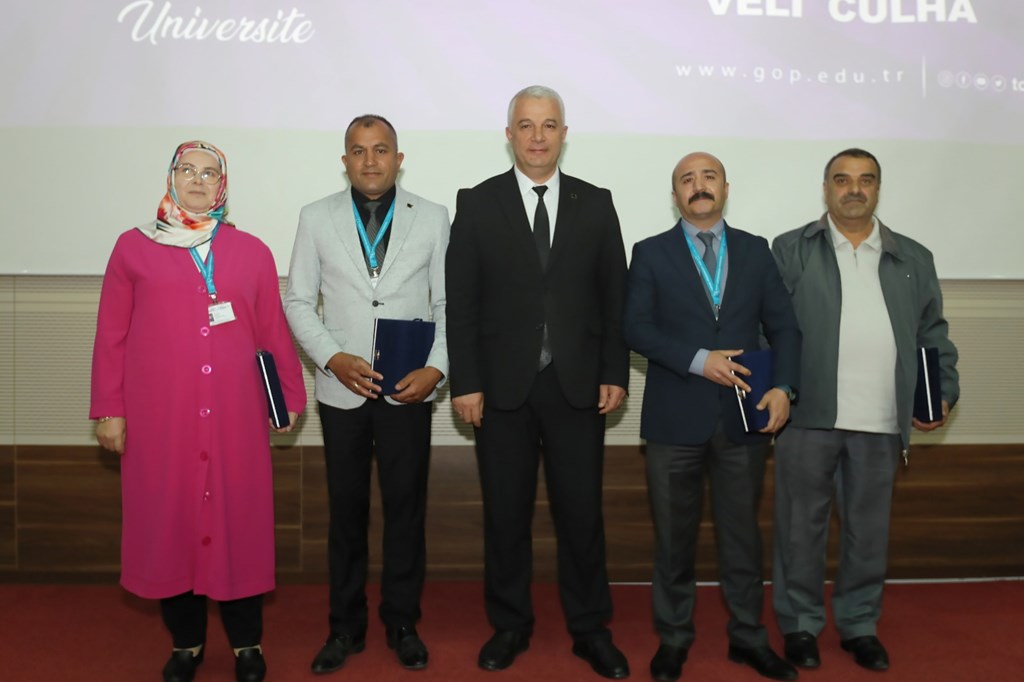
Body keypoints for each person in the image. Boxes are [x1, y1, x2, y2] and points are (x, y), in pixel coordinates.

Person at [90, 140, 306, 682]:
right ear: (171, 178)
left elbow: (272, 330)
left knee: (239, 526)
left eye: (210, 173)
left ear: (222, 187)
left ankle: (247, 646)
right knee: (170, 526)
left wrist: (287, 398)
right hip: (161, 420)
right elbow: (111, 334)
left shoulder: (252, 251)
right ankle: (185, 645)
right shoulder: (133, 248)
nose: (197, 180)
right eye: (187, 169)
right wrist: (109, 409)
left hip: (236, 417)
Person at [445, 85, 630, 680]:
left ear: (564, 134)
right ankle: (509, 625)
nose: (537, 136)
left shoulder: (595, 202)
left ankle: (590, 629)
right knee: (506, 515)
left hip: (578, 386)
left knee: (582, 515)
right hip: (501, 389)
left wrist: (614, 371)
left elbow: (615, 296)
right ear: (509, 135)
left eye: (548, 125)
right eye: (526, 125)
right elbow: (462, 302)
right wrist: (465, 381)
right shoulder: (478, 203)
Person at [770, 148, 959, 673]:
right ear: (826, 188)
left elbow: (932, 334)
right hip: (808, 417)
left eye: (865, 180)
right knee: (799, 530)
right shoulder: (790, 249)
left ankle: (858, 625)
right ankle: (800, 624)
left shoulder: (913, 257)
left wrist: (940, 391)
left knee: (868, 533)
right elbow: (769, 327)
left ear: (877, 188)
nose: (854, 189)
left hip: (881, 421)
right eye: (842, 179)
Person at [623, 152, 801, 682]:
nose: (698, 186)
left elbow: (785, 328)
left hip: (745, 416)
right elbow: (635, 328)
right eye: (687, 179)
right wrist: (700, 360)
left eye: (708, 177)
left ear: (726, 188)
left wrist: (785, 388)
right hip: (674, 419)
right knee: (673, 540)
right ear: (674, 194)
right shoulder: (650, 252)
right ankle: (674, 637)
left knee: (742, 537)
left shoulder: (755, 249)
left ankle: (749, 637)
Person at [284, 115, 449, 674]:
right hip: (343, 388)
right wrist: (332, 357)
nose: (370, 161)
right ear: (345, 161)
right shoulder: (316, 217)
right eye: (359, 151)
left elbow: (448, 304)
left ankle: (403, 624)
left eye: (381, 150)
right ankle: (345, 628)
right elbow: (298, 301)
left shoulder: (433, 216)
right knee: (346, 514)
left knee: (405, 512)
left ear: (399, 159)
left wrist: (437, 370)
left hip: (408, 389)